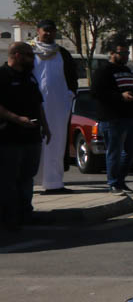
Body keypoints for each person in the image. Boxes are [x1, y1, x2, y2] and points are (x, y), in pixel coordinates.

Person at [1, 42, 50, 230]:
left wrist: (46, 126)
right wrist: (17, 119)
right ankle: (10, 217)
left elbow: (38, 103)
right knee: (9, 179)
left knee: (27, 177)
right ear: (18, 55)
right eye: (30, 55)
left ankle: (26, 213)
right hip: (10, 137)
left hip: (32, 137)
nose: (33, 59)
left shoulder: (30, 77)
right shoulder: (3, 76)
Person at [28, 18, 77, 194]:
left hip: (58, 106)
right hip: (33, 105)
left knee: (56, 142)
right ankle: (31, 183)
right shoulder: (28, 50)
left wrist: (70, 94)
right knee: (33, 143)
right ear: (38, 30)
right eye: (45, 30)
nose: (48, 34)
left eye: (51, 30)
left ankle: (54, 183)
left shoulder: (62, 53)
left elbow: (72, 77)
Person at [90, 42, 133, 194]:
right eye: (122, 53)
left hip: (130, 117)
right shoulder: (103, 71)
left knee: (131, 150)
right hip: (112, 118)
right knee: (114, 151)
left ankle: (120, 181)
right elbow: (96, 93)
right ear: (112, 54)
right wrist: (120, 96)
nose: (126, 56)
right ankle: (113, 183)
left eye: (127, 54)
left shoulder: (126, 70)